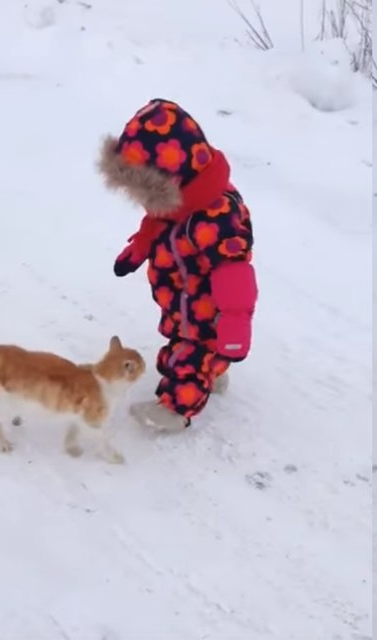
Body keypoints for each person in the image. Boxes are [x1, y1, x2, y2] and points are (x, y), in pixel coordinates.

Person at [97, 98, 258, 431]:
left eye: (145, 192)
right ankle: (214, 373)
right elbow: (157, 223)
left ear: (172, 179)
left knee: (188, 356)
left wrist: (235, 324)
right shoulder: (183, 202)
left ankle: (174, 411)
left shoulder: (217, 218)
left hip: (206, 309)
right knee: (191, 350)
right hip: (182, 300)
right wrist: (138, 249)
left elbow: (235, 275)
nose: (142, 201)